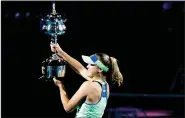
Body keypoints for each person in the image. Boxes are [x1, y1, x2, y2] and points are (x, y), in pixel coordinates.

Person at [50, 42, 123, 118]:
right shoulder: (104, 85)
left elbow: (68, 108)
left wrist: (61, 86)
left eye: (91, 64)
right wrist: (61, 52)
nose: (87, 66)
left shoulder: (88, 85)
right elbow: (80, 69)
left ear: (100, 69)